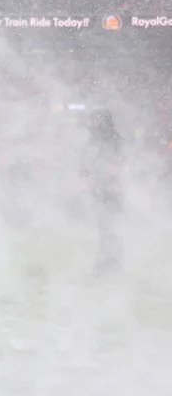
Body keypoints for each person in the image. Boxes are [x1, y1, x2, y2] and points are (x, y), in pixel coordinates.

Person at [81, 106, 123, 274]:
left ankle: (110, 261)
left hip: (110, 190)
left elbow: (114, 166)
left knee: (108, 225)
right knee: (104, 225)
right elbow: (84, 163)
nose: (91, 124)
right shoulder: (94, 140)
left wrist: (99, 177)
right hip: (100, 190)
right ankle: (107, 259)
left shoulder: (112, 140)